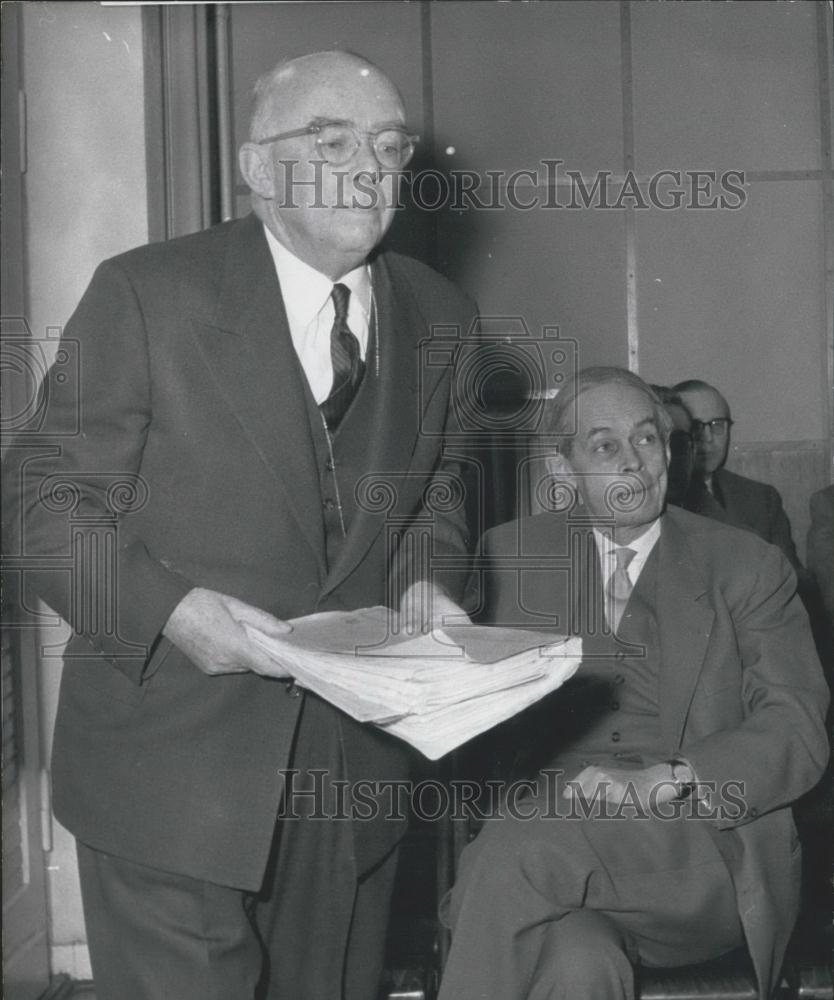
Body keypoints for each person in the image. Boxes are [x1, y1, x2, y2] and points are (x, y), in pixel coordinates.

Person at [2, 51, 474, 1000]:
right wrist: (172, 610)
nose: (368, 167)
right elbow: (35, 505)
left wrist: (430, 583)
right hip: (170, 779)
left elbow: (438, 492)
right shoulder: (149, 294)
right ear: (259, 170)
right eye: (330, 140)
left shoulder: (442, 315)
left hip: (350, 786)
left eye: (388, 144)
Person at [438, 367, 829, 1000]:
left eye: (648, 440)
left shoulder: (745, 566)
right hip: (554, 849)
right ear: (562, 474)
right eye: (605, 446)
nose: (636, 464)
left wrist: (667, 779)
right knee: (577, 964)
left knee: (512, 854)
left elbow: (799, 731)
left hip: (696, 847)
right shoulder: (508, 556)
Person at [672, 378, 803, 573]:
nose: (707, 438)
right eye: (695, 426)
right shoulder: (664, 499)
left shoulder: (762, 498)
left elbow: (793, 579)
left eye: (717, 424)